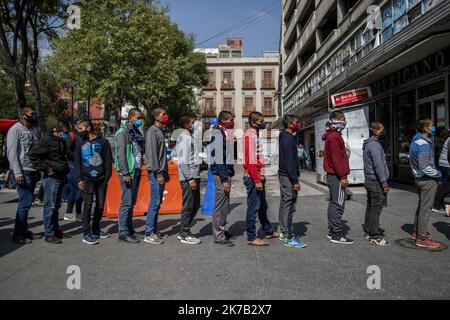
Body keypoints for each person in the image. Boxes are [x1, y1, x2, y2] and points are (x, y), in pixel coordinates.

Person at [29, 121, 71, 244]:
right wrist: (45, 168)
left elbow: (62, 156)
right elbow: (33, 155)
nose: (65, 135)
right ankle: (49, 233)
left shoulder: (60, 141)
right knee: (50, 206)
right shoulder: (46, 141)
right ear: (55, 130)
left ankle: (55, 229)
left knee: (56, 206)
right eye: (63, 132)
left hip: (60, 175)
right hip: (51, 177)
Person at [244, 112, 279, 246]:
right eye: (261, 121)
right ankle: (251, 237)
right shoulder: (250, 136)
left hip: (258, 175)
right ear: (253, 123)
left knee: (262, 206)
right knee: (253, 207)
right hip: (253, 177)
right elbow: (250, 160)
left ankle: (268, 230)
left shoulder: (255, 135)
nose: (263, 124)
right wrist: (257, 179)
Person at [75, 119, 112, 245]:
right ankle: (86, 233)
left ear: (88, 128)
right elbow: (77, 162)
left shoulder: (103, 142)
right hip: (87, 179)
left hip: (101, 179)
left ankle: (96, 229)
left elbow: (108, 159)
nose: (78, 132)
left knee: (100, 205)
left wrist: (107, 177)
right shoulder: (80, 143)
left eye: (80, 129)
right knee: (88, 205)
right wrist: (79, 179)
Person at [7, 107, 40, 244]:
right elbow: (12, 152)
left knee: (27, 203)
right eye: (31, 114)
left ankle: (24, 230)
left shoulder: (33, 130)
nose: (34, 116)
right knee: (24, 202)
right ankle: (18, 234)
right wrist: (17, 172)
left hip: (32, 170)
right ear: (24, 115)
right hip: (22, 171)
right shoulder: (15, 129)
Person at [410, 119, 442, 249]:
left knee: (421, 206)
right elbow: (424, 166)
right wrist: (438, 174)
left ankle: (416, 231)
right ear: (425, 129)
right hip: (426, 180)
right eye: (431, 126)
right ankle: (421, 238)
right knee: (425, 209)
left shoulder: (415, 141)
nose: (434, 128)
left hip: (418, 179)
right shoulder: (423, 144)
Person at [114, 108, 144, 244]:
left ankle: (130, 230)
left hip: (136, 170)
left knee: (131, 203)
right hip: (128, 173)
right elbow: (121, 155)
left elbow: (137, 151)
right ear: (130, 118)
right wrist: (125, 173)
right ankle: (123, 232)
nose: (140, 120)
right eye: (138, 118)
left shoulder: (136, 133)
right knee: (126, 203)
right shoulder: (122, 133)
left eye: (141, 118)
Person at [323, 111, 353, 244]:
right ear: (338, 120)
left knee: (334, 203)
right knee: (338, 204)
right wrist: (343, 176)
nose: (345, 122)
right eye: (344, 119)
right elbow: (336, 159)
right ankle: (336, 234)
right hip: (336, 176)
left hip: (333, 175)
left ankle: (332, 230)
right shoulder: (335, 137)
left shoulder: (332, 135)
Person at [278, 115, 307, 249]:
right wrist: (295, 180)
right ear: (290, 124)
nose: (298, 124)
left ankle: (284, 231)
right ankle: (289, 236)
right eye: (296, 123)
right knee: (289, 205)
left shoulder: (283, 136)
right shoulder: (289, 139)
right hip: (288, 176)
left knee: (285, 203)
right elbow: (290, 161)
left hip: (284, 175)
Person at [209, 111, 236, 247]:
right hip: (221, 174)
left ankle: (223, 231)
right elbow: (218, 157)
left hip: (225, 173)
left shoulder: (224, 132)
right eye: (230, 120)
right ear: (223, 120)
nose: (233, 122)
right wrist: (224, 178)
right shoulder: (217, 134)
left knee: (225, 204)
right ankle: (218, 236)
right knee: (220, 206)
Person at [144, 107, 170, 245]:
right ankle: (148, 233)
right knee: (154, 202)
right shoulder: (152, 131)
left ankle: (153, 230)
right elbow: (152, 154)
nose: (166, 116)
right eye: (163, 114)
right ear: (156, 117)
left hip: (161, 172)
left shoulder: (160, 131)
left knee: (158, 202)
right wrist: (159, 173)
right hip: (155, 173)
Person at [363, 122, 390, 246]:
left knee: (370, 207)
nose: (384, 132)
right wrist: (384, 183)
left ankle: (368, 232)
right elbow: (378, 165)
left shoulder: (369, 144)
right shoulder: (374, 145)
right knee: (375, 209)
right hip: (375, 181)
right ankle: (374, 235)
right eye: (382, 129)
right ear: (376, 131)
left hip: (370, 180)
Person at [176, 115, 201, 245]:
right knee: (188, 206)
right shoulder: (184, 138)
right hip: (188, 178)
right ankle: (184, 233)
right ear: (186, 125)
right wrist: (190, 178)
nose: (194, 124)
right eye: (192, 122)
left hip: (194, 176)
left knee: (195, 204)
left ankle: (184, 230)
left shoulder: (190, 137)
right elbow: (183, 160)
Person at [64, 122, 83, 222]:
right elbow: (68, 151)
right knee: (79, 190)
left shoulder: (80, 137)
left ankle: (69, 212)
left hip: (76, 166)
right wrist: (77, 157)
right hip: (73, 167)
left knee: (73, 191)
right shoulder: (73, 138)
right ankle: (78, 213)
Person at [432, 128, 450, 216]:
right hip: (447, 165)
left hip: (445, 164)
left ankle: (438, 203)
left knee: (445, 185)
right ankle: (437, 204)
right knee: (446, 186)